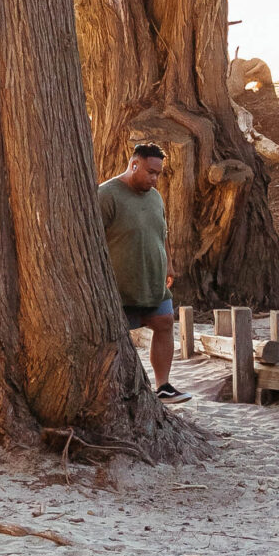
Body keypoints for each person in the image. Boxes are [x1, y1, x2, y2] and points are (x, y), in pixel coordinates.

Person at [99, 142, 190, 403]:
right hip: (121, 282)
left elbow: (162, 232)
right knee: (116, 336)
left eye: (158, 173)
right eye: (150, 172)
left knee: (165, 323)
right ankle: (118, 392)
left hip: (154, 278)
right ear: (134, 164)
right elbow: (92, 239)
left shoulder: (155, 196)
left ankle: (163, 387)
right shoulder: (107, 194)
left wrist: (169, 263)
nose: (154, 178)